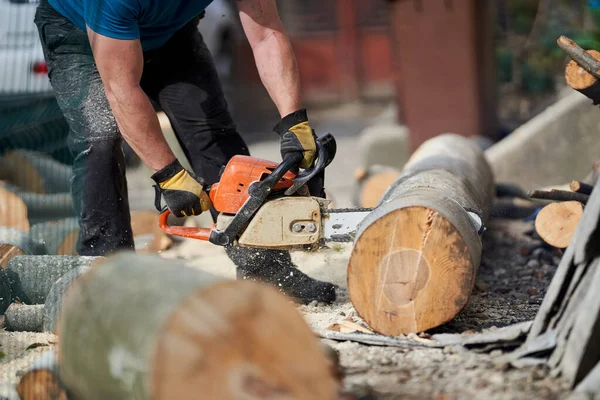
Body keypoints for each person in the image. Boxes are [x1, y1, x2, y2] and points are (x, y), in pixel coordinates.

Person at [33, 0, 337, 304]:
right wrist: (168, 174)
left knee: (212, 133)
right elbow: (121, 89)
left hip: (170, 35)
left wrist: (294, 121)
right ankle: (109, 286)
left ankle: (267, 271)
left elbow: (266, 34)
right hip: (79, 35)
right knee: (100, 140)